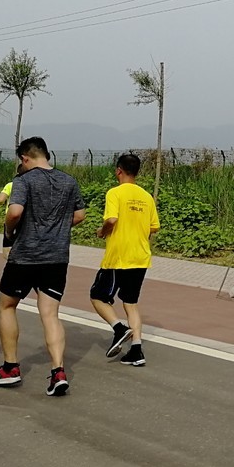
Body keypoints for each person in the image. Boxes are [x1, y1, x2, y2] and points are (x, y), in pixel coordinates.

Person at [0, 137, 86, 396]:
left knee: (7, 305)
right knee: (50, 314)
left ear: (25, 158)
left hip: (25, 256)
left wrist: (8, 229)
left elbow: (15, 212)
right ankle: (58, 372)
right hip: (57, 258)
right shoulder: (69, 181)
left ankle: (10, 368)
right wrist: (58, 228)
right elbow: (80, 216)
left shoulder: (23, 181)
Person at [89, 153, 160, 366]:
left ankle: (119, 329)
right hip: (140, 257)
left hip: (118, 257)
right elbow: (153, 227)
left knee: (97, 296)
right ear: (137, 172)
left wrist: (102, 232)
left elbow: (111, 219)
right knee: (130, 302)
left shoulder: (115, 193)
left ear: (118, 170)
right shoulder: (146, 196)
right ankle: (136, 350)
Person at [0, 162, 22, 259]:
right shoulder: (33, 185)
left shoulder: (11, 185)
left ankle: (9, 260)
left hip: (11, 217)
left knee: (7, 241)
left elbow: (1, 199)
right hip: (27, 219)